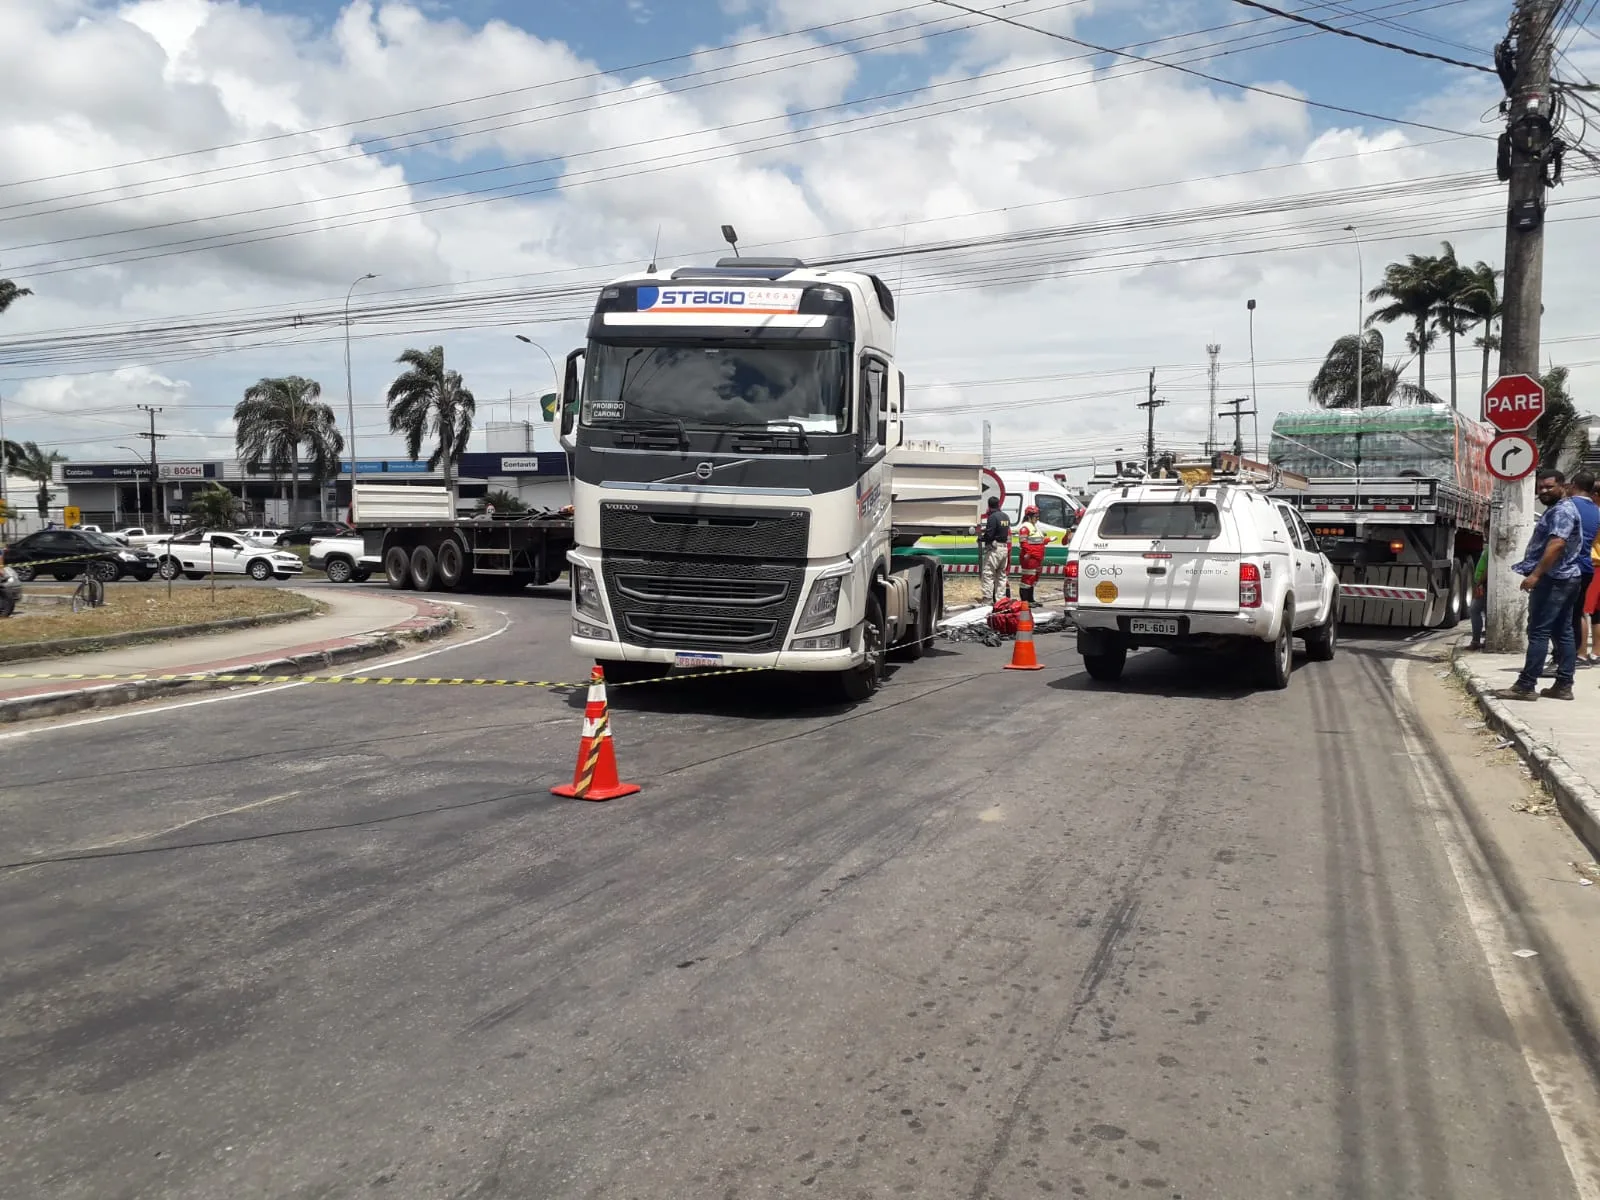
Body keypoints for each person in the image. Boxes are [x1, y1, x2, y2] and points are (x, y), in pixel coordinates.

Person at [1495, 469, 1585, 701]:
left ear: (1562, 486)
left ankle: (1526, 686)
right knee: (1562, 631)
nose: (1543, 491)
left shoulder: (1562, 511)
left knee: (1538, 632)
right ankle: (1564, 684)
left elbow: (1557, 544)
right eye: (1541, 487)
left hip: (1554, 580)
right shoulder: (1559, 509)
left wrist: (1535, 575)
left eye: (1549, 487)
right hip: (1566, 578)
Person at [1567, 471, 1600, 666]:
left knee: (1583, 611)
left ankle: (1581, 653)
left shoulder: (1592, 514)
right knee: (1595, 613)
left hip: (1594, 564)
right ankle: (1595, 652)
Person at [978, 494, 1012, 605]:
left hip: (994, 550)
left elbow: (990, 534)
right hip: (1004, 549)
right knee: (1001, 575)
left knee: (988, 574)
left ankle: (987, 600)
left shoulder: (993, 517)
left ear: (989, 506)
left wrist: (981, 539)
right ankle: (1001, 600)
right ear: (998, 504)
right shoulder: (1006, 517)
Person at [1015, 504, 1049, 605]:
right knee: (1028, 578)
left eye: (1038, 516)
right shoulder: (1025, 528)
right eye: (1036, 516)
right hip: (1030, 558)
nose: (1037, 519)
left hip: (1037, 558)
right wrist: (1029, 552)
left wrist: (1047, 540)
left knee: (1034, 578)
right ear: (1029, 516)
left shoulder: (1034, 527)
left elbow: (1038, 541)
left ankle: (1031, 599)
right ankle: (1025, 601)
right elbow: (1024, 542)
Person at [1468, 544, 1487, 651]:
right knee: (1480, 610)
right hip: (1483, 584)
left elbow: (1487, 569)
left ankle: (1476, 641)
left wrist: (1479, 583)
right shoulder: (1488, 547)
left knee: (1474, 610)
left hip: (1484, 584)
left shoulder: (1491, 548)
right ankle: (1478, 640)